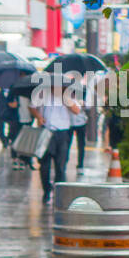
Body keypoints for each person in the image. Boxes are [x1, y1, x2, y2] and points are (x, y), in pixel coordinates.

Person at [31, 70, 82, 202]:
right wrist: (39, 116)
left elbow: (77, 110)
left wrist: (65, 98)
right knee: (44, 164)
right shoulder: (43, 94)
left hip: (63, 133)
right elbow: (31, 107)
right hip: (46, 132)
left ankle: (59, 191)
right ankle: (46, 191)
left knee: (61, 164)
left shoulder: (68, 95)